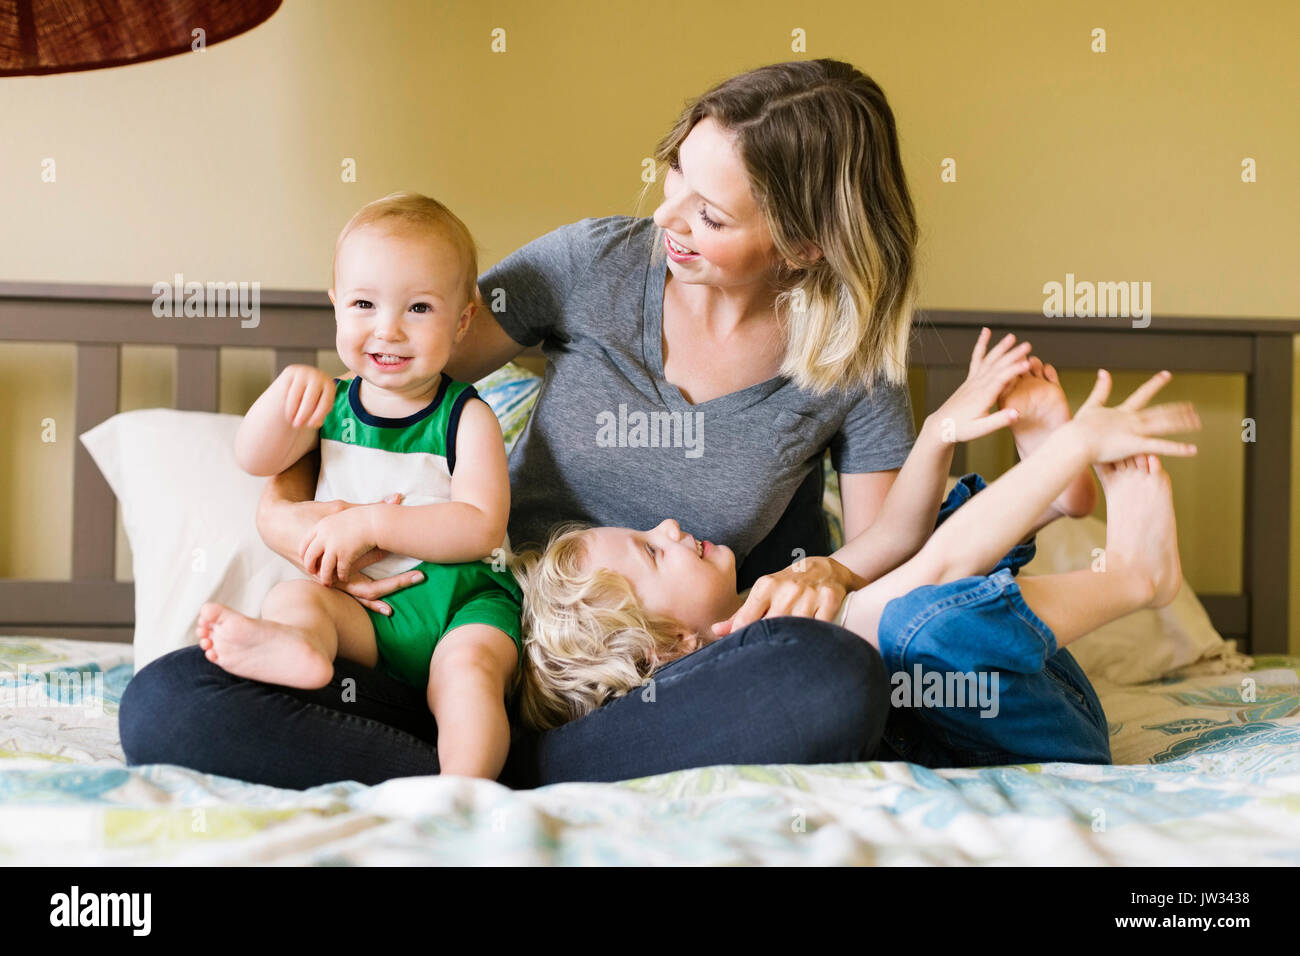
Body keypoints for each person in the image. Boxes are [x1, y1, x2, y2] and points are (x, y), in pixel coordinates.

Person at [119, 59, 1081, 789]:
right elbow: (377, 394)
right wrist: (288, 519)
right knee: (167, 702)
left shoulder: (845, 361)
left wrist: (828, 569)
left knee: (832, 678)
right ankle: (486, 763)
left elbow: (887, 549)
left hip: (648, 678)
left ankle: (527, 773)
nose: (670, 218)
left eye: (710, 212)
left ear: (806, 241)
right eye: (674, 178)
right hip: (454, 640)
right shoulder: (589, 265)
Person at [513, 365, 1199, 770]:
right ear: (671, 645)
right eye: (652, 551)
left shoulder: (765, 596)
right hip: (1044, 738)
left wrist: (937, 437)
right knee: (922, 625)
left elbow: (900, 544)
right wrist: (1075, 442)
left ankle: (1049, 501)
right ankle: (1138, 576)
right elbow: (937, 570)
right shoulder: (754, 651)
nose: (667, 525)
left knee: (912, 576)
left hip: (1015, 686)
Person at [196, 191, 525, 781]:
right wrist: (283, 399)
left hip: (461, 604)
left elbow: (482, 524)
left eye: (419, 308)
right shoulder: (329, 405)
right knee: (292, 600)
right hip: (363, 611)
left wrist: (370, 522)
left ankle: (464, 791)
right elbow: (255, 458)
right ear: (336, 308)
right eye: (364, 304)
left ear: (463, 319)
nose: (388, 329)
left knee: (468, 675)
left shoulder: (465, 417)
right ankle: (300, 648)